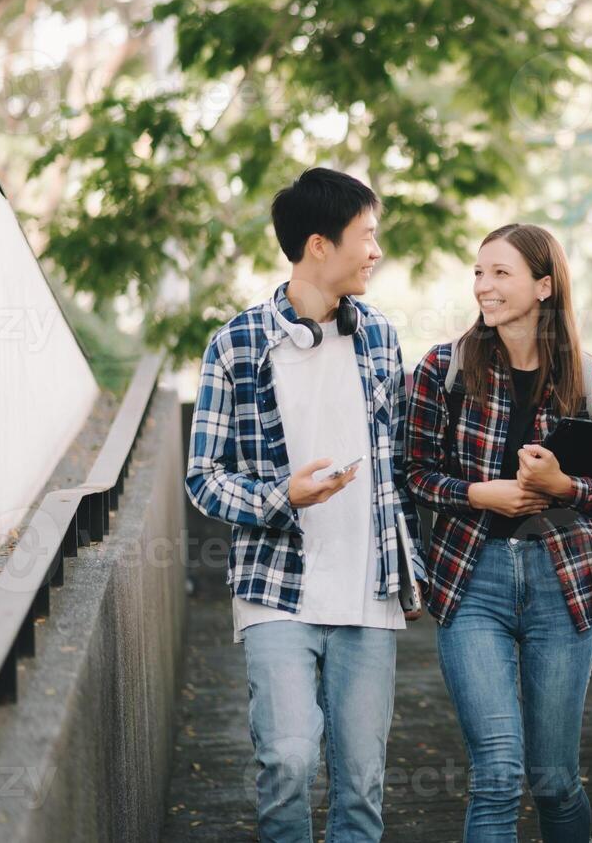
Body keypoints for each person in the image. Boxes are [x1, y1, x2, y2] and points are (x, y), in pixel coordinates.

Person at [185, 167, 425, 842]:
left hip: (367, 592)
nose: (376, 251)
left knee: (361, 784)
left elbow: (400, 463)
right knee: (287, 761)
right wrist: (280, 496)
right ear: (319, 244)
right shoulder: (235, 345)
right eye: (367, 237)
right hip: (277, 590)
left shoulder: (379, 337)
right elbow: (202, 477)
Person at [405, 223, 592, 842]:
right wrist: (478, 493)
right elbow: (415, 476)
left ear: (544, 285)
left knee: (554, 780)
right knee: (497, 774)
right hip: (471, 579)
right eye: (479, 273)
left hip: (562, 585)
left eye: (501, 273)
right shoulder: (444, 368)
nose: (484, 286)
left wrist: (566, 488)